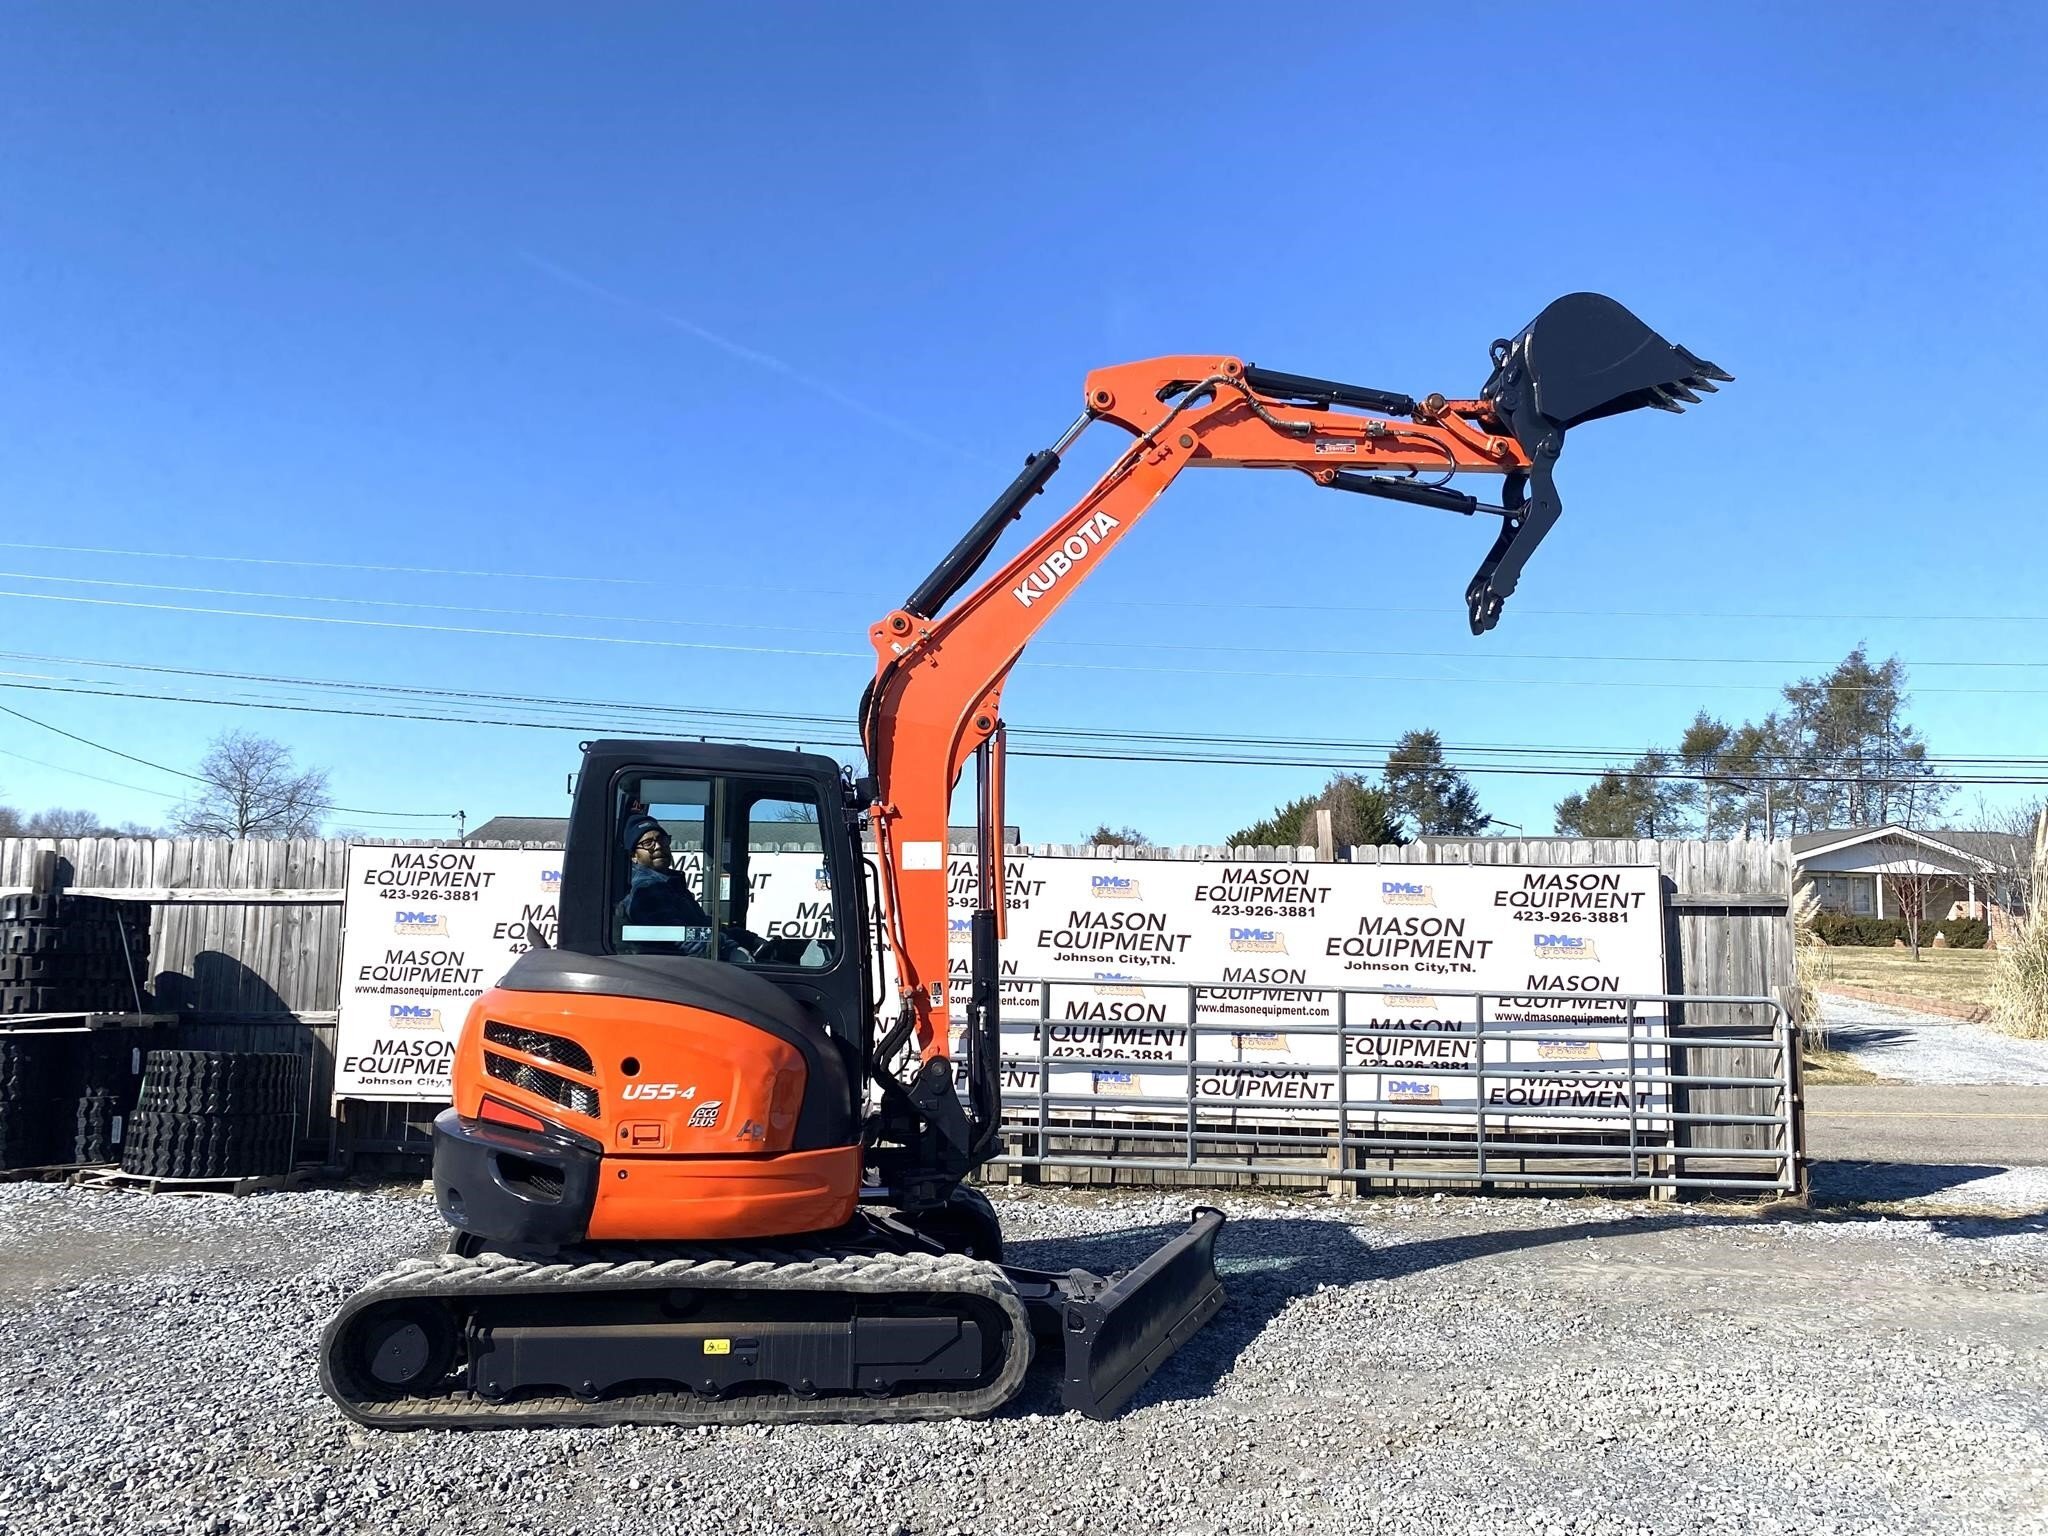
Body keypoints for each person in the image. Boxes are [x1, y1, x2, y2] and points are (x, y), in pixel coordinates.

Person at [616, 813, 758, 963]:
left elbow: (701, 926)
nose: (658, 846)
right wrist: (728, 950)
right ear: (634, 856)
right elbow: (680, 935)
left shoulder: (671, 884)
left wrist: (748, 939)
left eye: (662, 839)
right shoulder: (647, 890)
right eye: (648, 843)